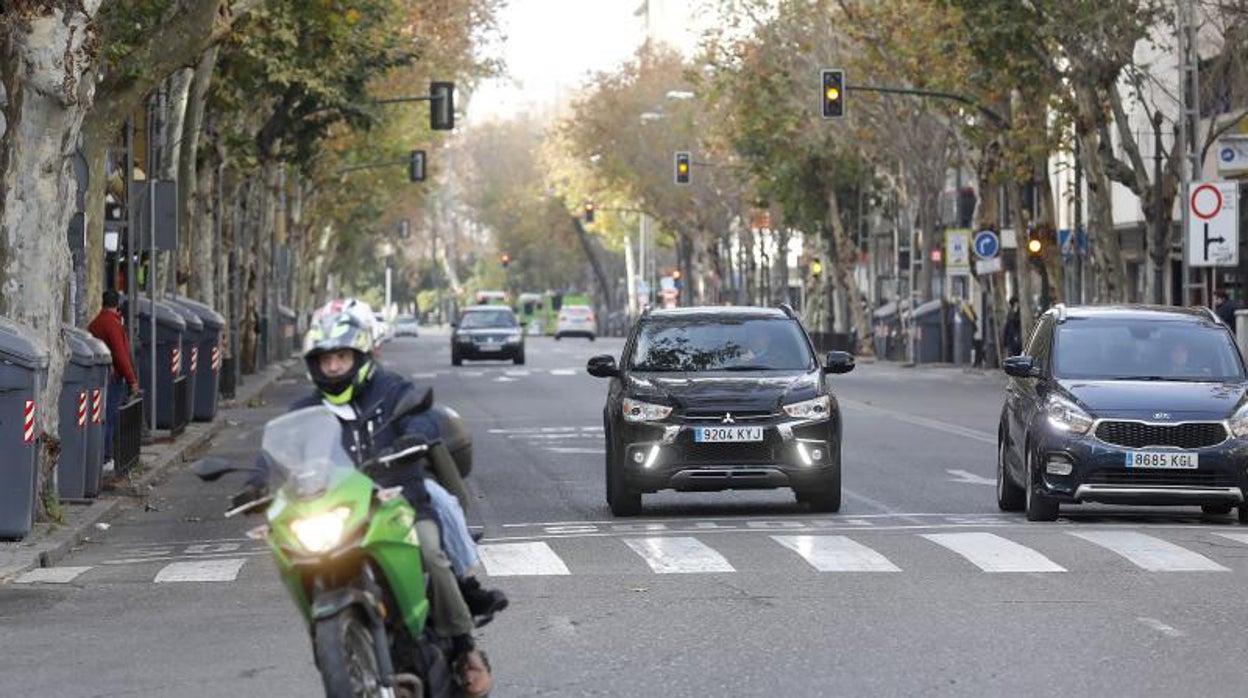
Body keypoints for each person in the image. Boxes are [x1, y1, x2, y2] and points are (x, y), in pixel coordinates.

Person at [240, 311, 500, 694]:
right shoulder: (305, 411)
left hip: (399, 499)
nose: (333, 367)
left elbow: (423, 417)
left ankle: (464, 648)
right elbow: (274, 455)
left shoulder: (392, 390)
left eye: (341, 358)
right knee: (297, 556)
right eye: (326, 360)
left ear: (360, 359)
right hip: (339, 510)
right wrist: (255, 483)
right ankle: (342, 645)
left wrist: (412, 438)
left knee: (430, 553)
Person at [87, 289, 140, 464]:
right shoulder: (113, 324)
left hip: (97, 378)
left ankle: (99, 457)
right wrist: (132, 380)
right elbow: (120, 354)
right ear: (117, 305)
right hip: (113, 379)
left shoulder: (95, 323)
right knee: (109, 419)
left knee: (99, 419)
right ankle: (106, 458)